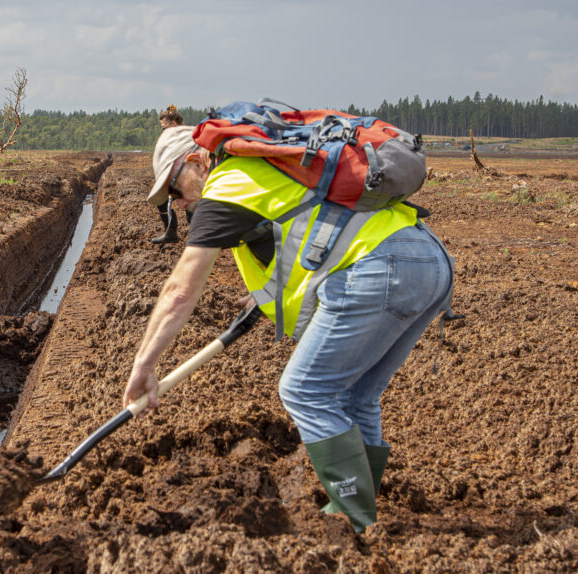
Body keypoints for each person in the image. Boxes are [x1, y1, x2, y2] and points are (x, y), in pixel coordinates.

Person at [124, 126, 454, 532]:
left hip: (382, 269)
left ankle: (353, 517)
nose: (178, 202)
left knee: (304, 390)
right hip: (427, 260)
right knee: (357, 396)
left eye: (174, 188)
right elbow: (308, 228)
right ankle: (363, 509)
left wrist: (145, 363)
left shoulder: (225, 188)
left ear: (196, 161)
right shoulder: (265, 172)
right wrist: (267, 295)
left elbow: (179, 292)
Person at [150, 106, 189, 245]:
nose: (163, 131)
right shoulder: (171, 139)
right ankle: (170, 232)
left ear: (173, 124)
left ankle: (200, 239)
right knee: (160, 200)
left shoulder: (186, 137)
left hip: (191, 178)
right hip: (177, 176)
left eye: (164, 127)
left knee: (192, 208)